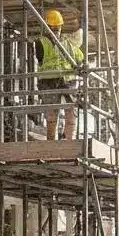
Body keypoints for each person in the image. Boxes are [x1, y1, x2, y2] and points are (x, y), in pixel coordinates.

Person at [35, 9, 84, 141]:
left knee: (70, 112)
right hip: (49, 79)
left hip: (67, 79)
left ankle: (69, 140)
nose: (56, 30)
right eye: (54, 28)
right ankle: (52, 142)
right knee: (52, 114)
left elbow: (79, 54)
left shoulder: (67, 41)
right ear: (47, 27)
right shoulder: (41, 42)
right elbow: (40, 58)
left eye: (58, 27)